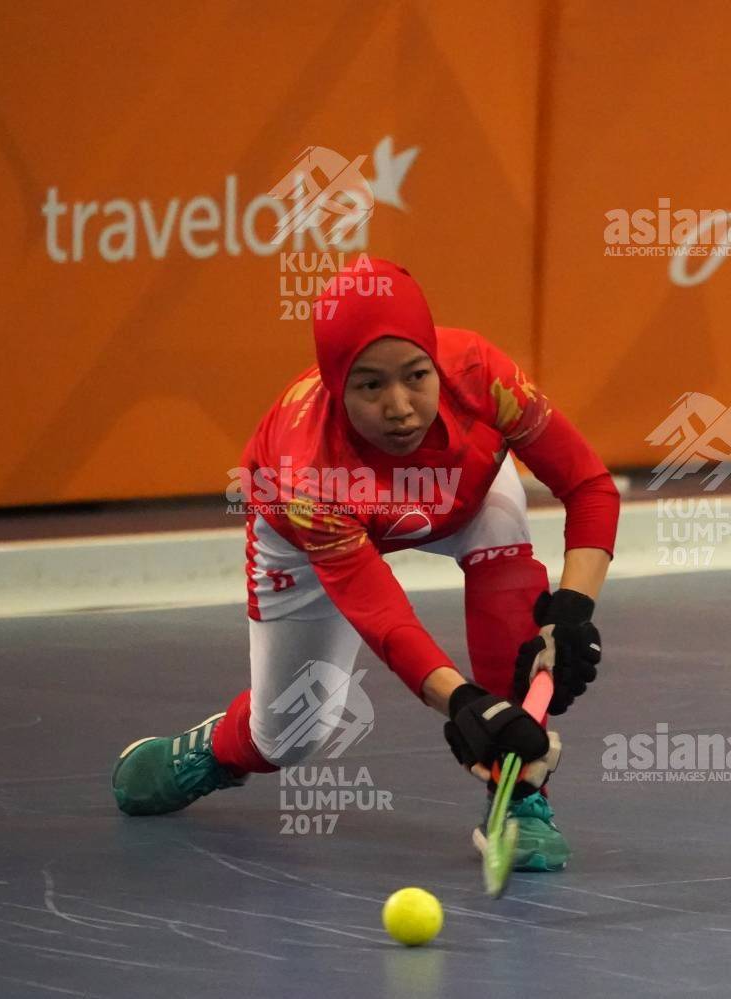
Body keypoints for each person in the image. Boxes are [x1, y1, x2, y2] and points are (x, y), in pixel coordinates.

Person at [110, 258, 619, 873]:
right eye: (370, 386)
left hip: (463, 494)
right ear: (335, 387)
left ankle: (519, 795)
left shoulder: (484, 377)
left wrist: (572, 611)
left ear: (435, 362)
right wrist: (460, 702)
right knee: (290, 736)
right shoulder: (302, 472)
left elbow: (589, 486)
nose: (401, 407)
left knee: (507, 569)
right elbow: (382, 614)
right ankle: (218, 748)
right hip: (308, 536)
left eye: (416, 376)